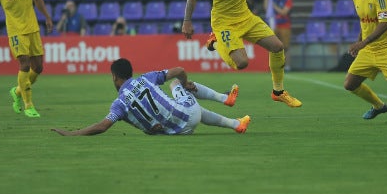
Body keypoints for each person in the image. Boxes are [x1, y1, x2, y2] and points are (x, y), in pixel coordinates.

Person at [181, 0, 302, 108]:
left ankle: (278, 92)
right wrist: (187, 21)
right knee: (242, 63)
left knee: (277, 47)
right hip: (225, 23)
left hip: (245, 16)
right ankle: (215, 42)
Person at [51, 58, 249, 136]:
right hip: (189, 114)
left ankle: (235, 123)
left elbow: (102, 126)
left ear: (114, 77)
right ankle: (225, 100)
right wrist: (185, 82)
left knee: (186, 106)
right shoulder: (146, 78)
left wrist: (72, 133)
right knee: (175, 83)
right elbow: (179, 69)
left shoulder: (119, 104)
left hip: (178, 131)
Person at [263, 0, 293, 71]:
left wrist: (273, 5)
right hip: (274, 25)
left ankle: (287, 66)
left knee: (286, 47)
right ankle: (274, 66)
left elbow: (284, 12)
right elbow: (266, 8)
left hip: (285, 26)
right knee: (273, 47)